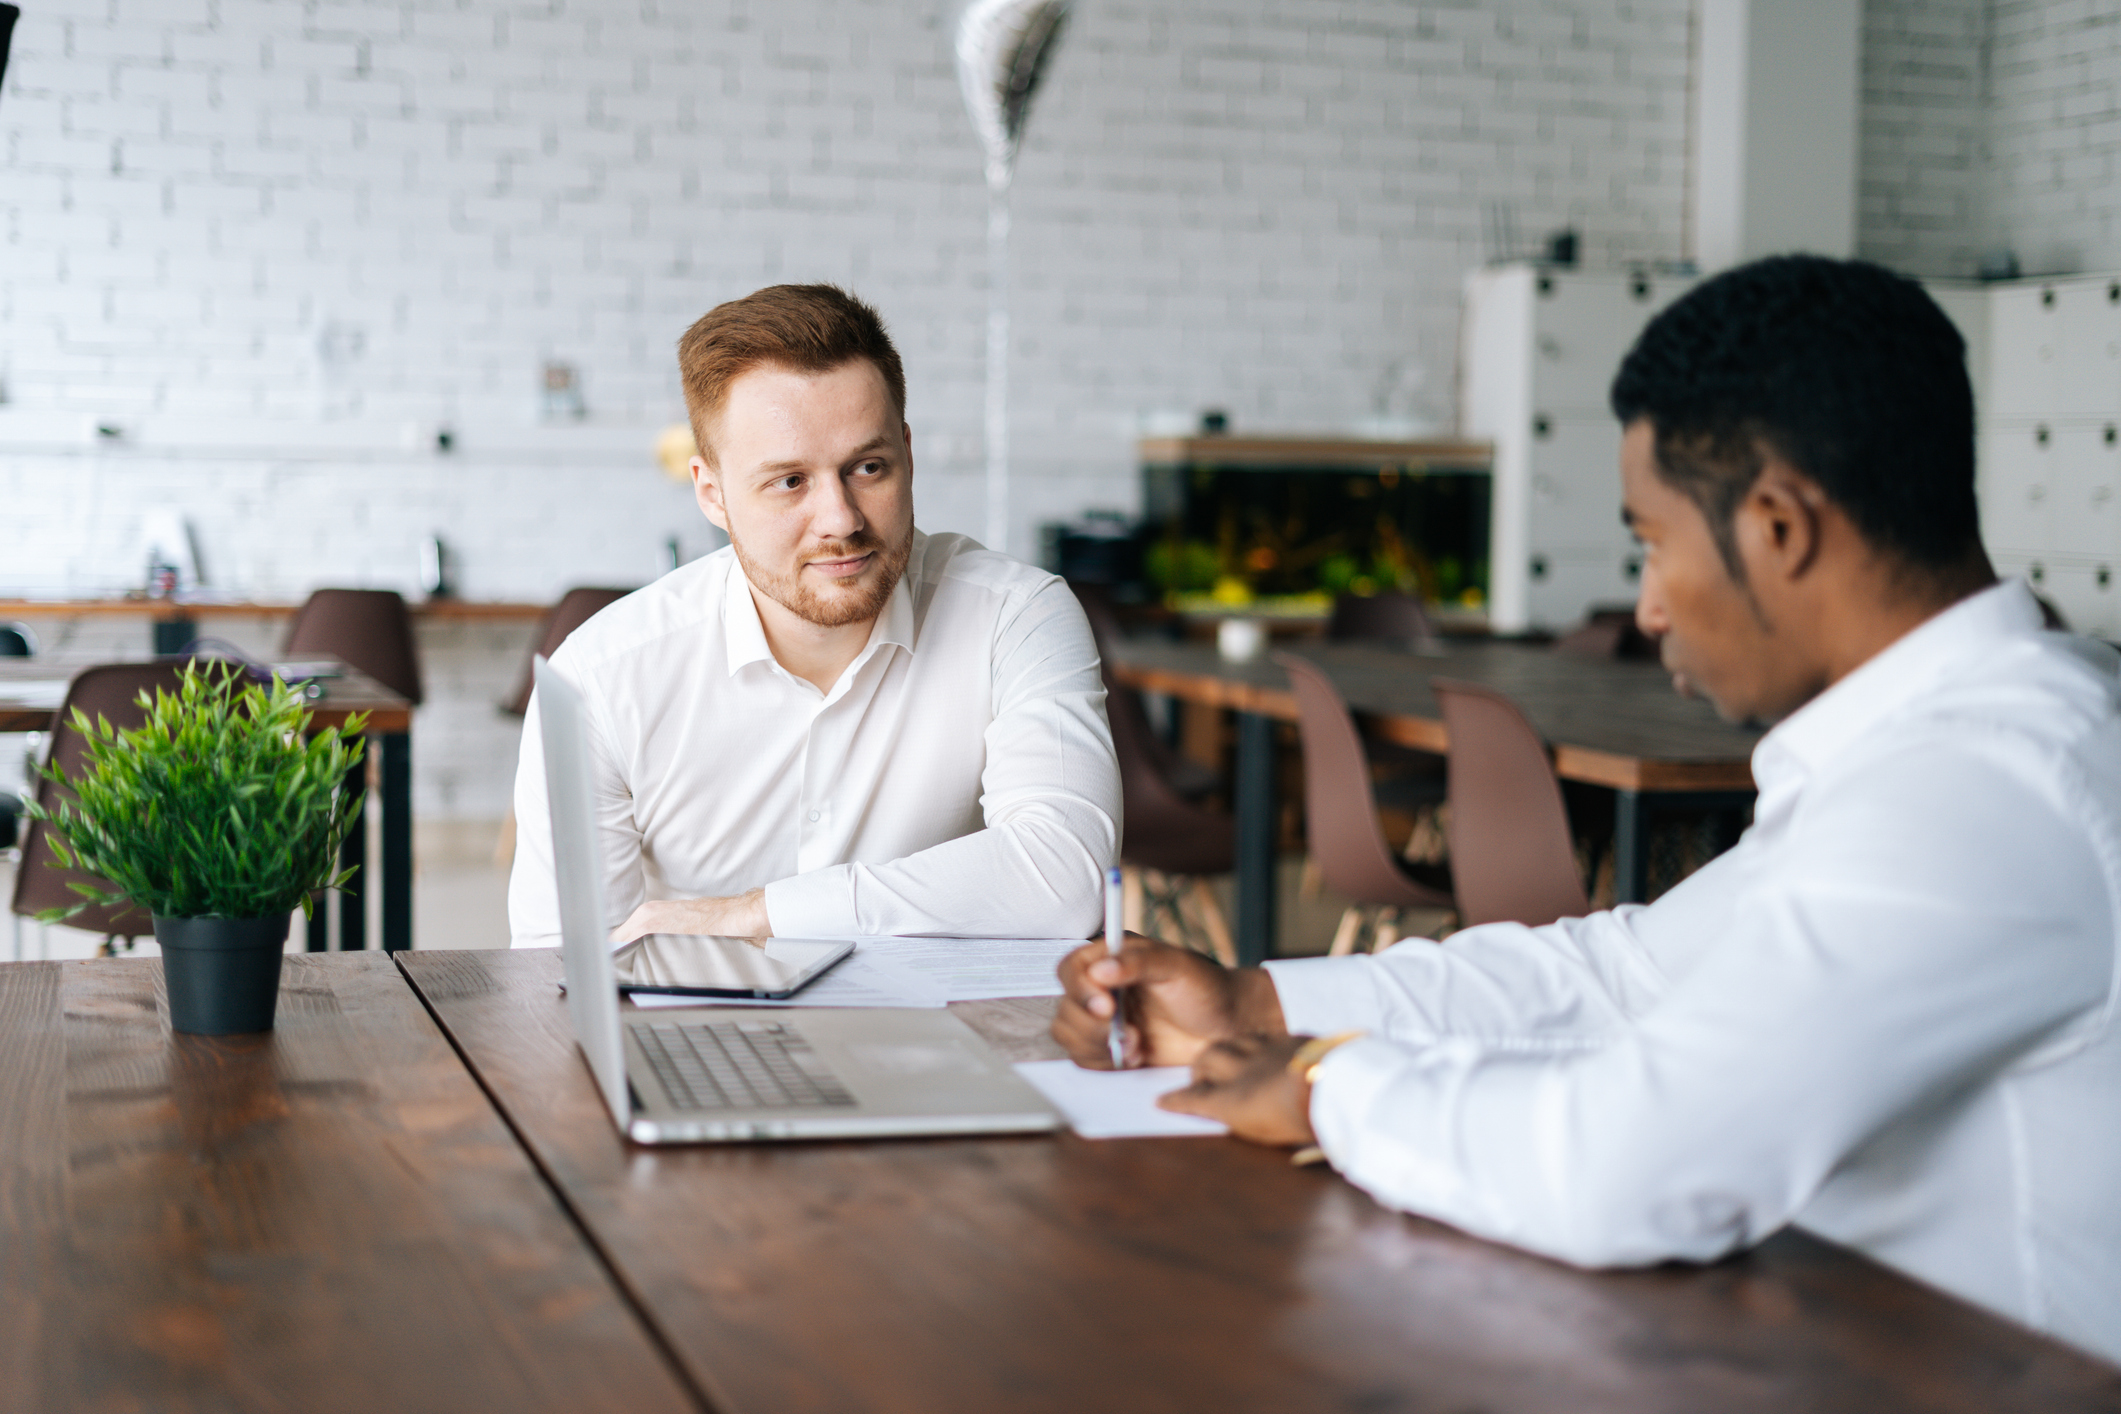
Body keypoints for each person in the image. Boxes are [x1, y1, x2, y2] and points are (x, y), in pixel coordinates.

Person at [1054, 256, 2121, 1363]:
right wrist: (1259, 1006)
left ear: (1778, 528)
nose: (1648, 604)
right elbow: (1626, 973)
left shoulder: (1981, 789)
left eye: (1652, 543)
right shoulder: (1950, 745)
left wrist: (1328, 1085)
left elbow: (1638, 1163)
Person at [510, 283, 1119, 947]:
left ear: (907, 457)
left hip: (945, 1037)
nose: (841, 520)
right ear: (711, 494)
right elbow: (563, 965)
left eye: (867, 467)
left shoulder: (1015, 617)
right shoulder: (599, 678)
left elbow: (1065, 879)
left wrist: (756, 915)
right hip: (700, 1037)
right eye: (789, 482)